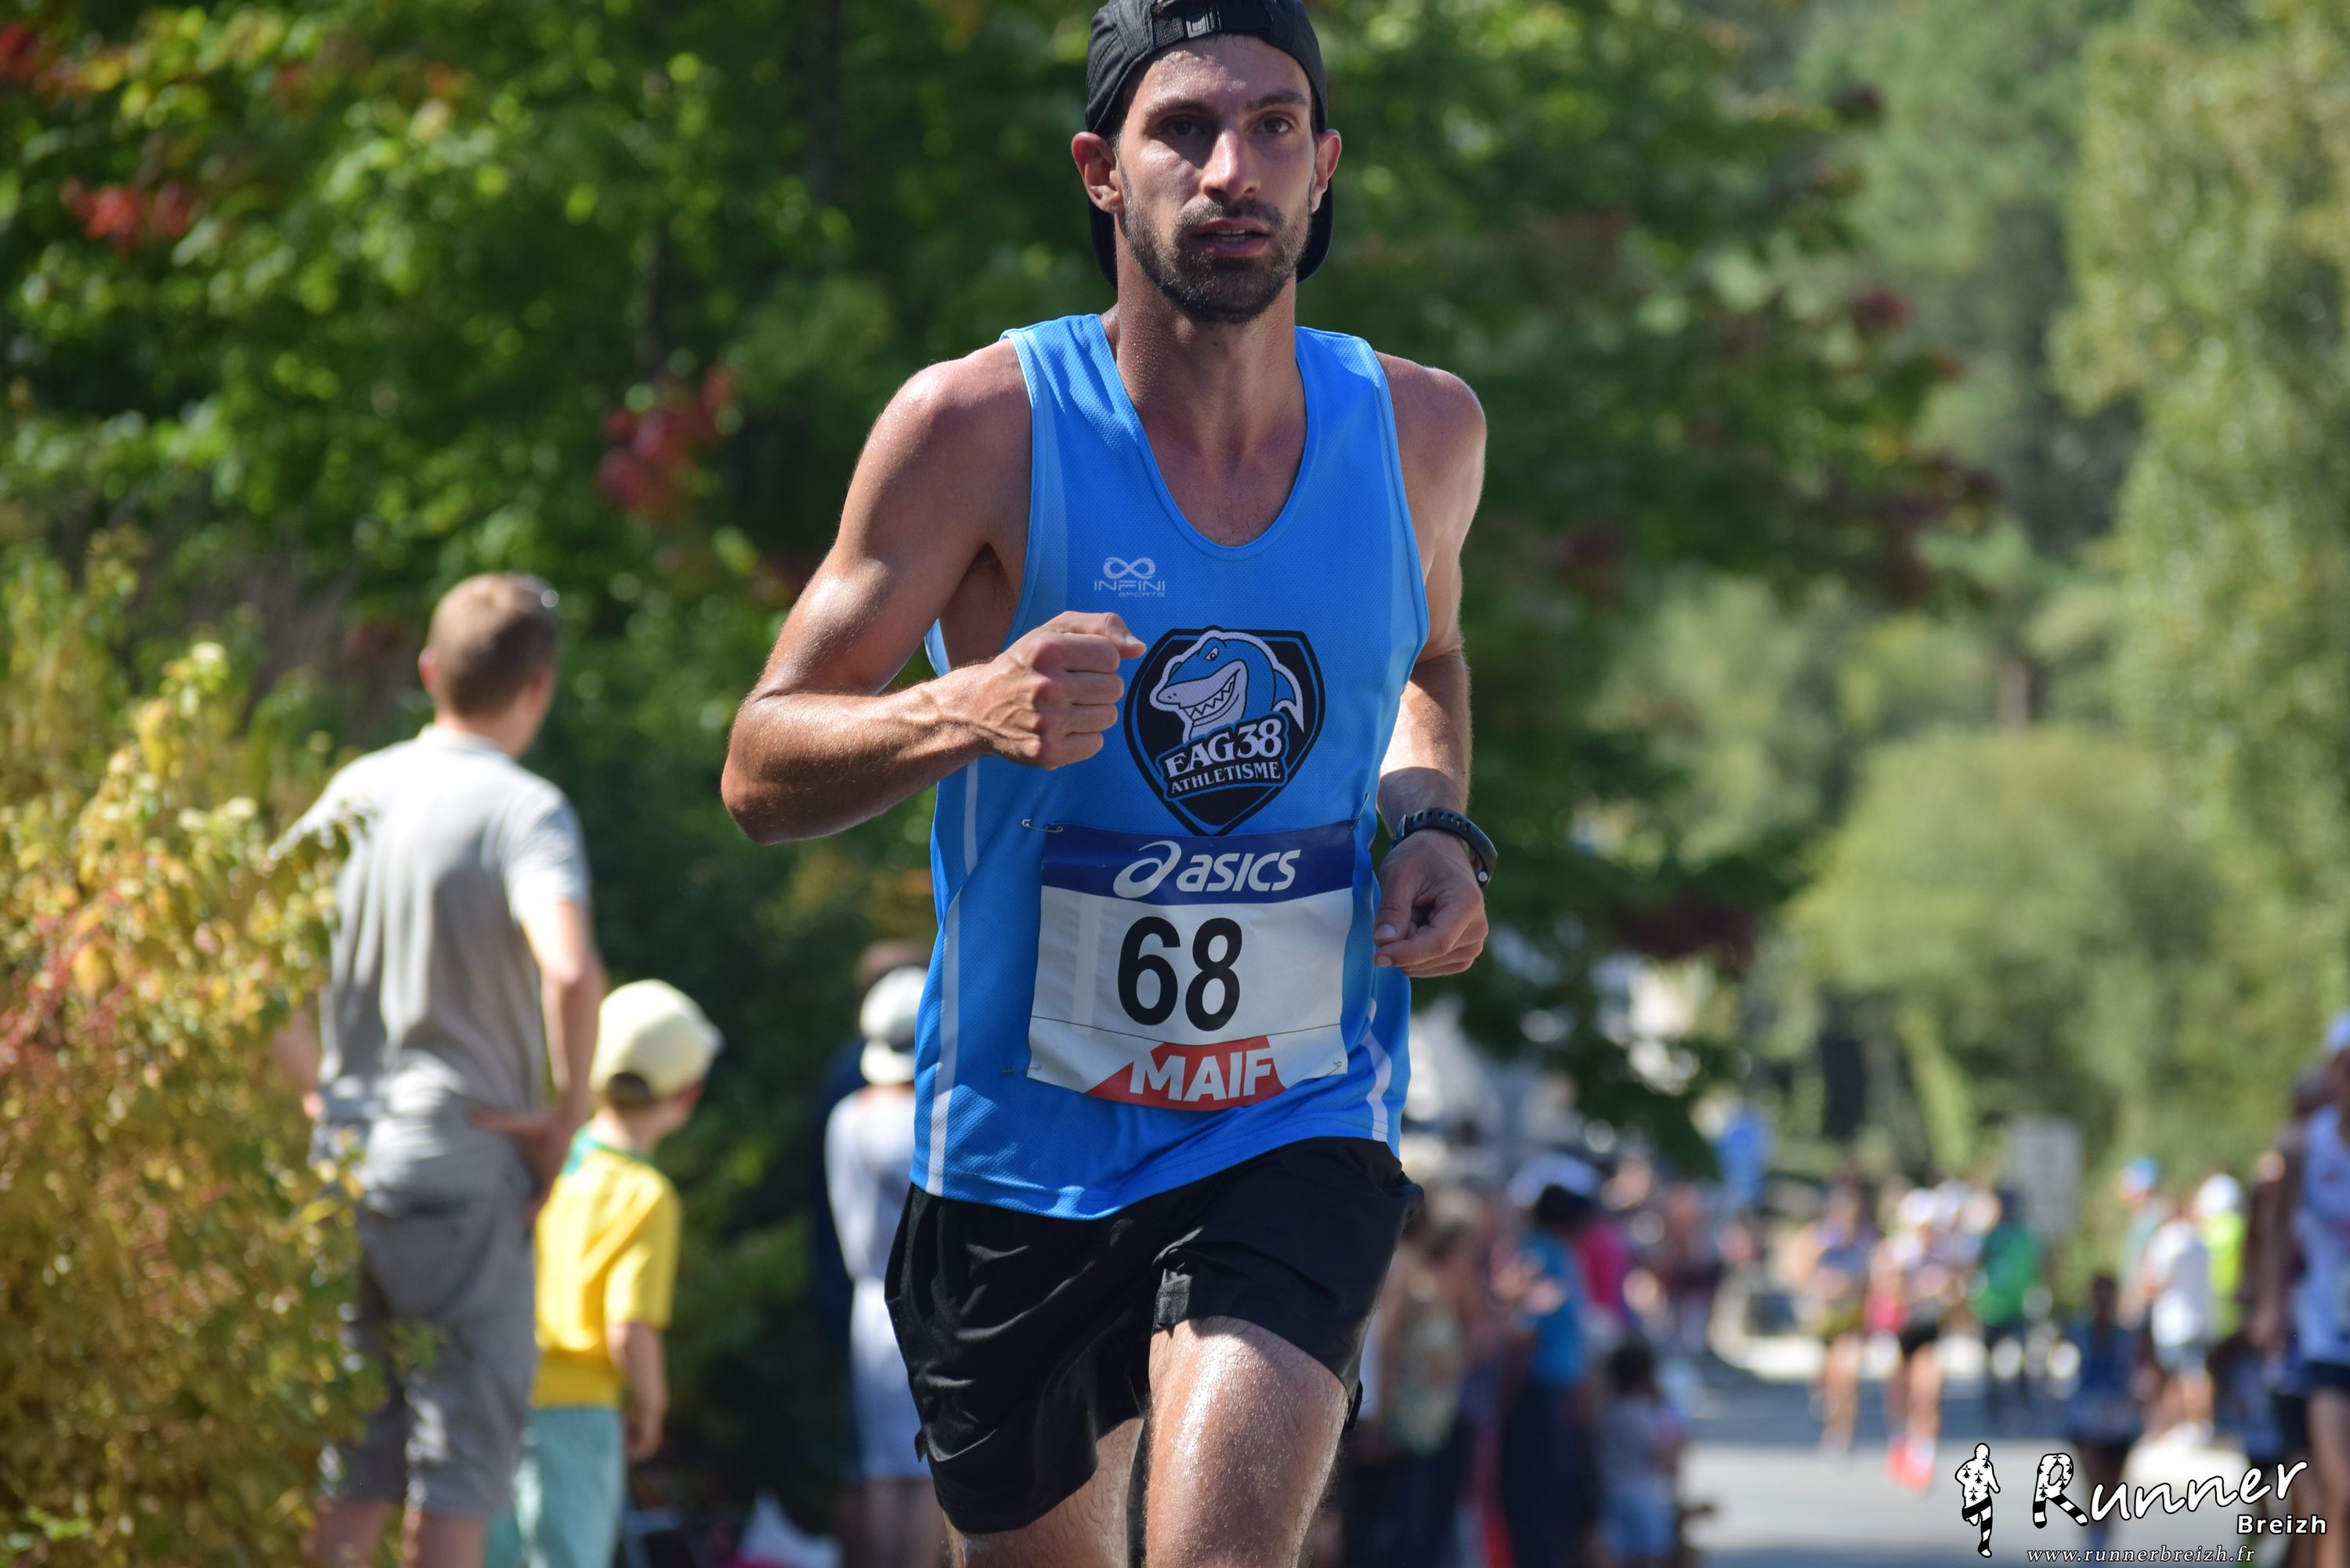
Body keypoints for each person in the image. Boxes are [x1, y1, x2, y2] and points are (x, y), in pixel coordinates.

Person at [718, 0, 1491, 1556]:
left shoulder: (1420, 430)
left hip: (1292, 1111)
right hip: (1018, 1149)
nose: (1233, 170)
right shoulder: (977, 426)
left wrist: (1431, 821)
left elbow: (1428, 660)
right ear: (1099, 169)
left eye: (1274, 127)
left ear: (1325, 166)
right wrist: (966, 707)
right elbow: (760, 759)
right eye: (1182, 130)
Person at [275, 573, 606, 1568]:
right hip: (462, 1171)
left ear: (429, 671)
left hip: (348, 1164)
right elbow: (569, 968)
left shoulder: (355, 794)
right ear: (539, 686)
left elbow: (247, 960)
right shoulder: (524, 811)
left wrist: (316, 1090)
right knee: (458, 1475)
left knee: (354, 1462)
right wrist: (565, 1113)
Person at [488, 981, 718, 1568]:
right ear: (688, 1094)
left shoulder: (545, 1158)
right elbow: (628, 1327)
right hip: (578, 1410)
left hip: (494, 1388)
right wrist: (651, 1404)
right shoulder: (646, 1194)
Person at [826, 965, 944, 1568]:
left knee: (882, 1468)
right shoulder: (925, 1120)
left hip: (867, 1305)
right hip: (925, 1306)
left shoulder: (845, 1114)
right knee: (927, 1466)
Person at [2259, 1013, 2350, 1568]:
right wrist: (2269, 1306)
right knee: (2332, 1492)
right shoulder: (2300, 1150)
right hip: (2322, 1339)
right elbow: (2272, 1234)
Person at [1499, 1185, 1599, 1568]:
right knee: (1539, 1497)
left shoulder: (1555, 1254)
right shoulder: (1541, 1255)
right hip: (1537, 1392)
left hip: (1552, 1391)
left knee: (1550, 1494)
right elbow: (1528, 1330)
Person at [1788, 1180, 1875, 1454]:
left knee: (1847, 1375)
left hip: (1853, 1320)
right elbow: (1796, 1273)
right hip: (1822, 1320)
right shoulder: (1816, 1237)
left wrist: (1854, 1286)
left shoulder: (1867, 1239)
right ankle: (1828, 1407)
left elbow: (1880, 1279)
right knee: (1826, 1379)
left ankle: (1841, 1434)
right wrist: (1820, 1281)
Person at [2064, 1273, 2144, 1552]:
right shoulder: (2078, 1331)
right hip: (2087, 1415)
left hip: (2120, 1416)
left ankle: (2103, 1544)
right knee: (2094, 1484)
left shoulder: (2129, 1336)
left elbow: (2144, 1371)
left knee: (2112, 1488)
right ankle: (2093, 1547)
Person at [1596, 1339, 1682, 1568]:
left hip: (1611, 1495)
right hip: (1645, 1499)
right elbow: (1663, 1458)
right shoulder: (1648, 1414)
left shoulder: (1609, 1413)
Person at [2143, 1189, 2216, 1440]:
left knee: (2183, 1375)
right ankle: (2197, 1425)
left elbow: (2154, 1282)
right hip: (2201, 1318)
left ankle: (2190, 1425)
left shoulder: (2167, 1241)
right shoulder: (2199, 1240)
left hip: (2174, 1322)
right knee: (2195, 1372)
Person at [1971, 1190, 2042, 1425]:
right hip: (1993, 1308)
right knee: (1990, 1360)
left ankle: (2023, 1400)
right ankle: (1993, 1403)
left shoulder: (2026, 1237)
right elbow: (1978, 1263)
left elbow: (2036, 1268)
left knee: (2023, 1355)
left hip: (2017, 1308)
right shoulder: (1992, 1236)